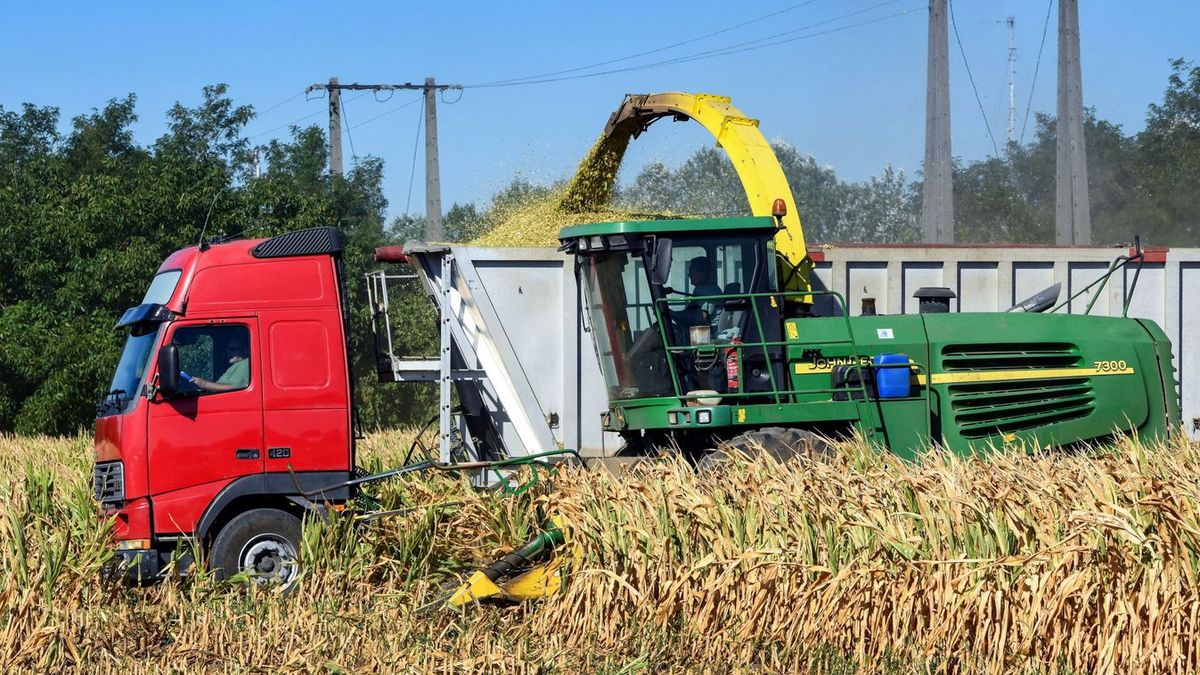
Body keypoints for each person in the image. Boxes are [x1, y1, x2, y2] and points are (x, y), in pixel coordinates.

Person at [183, 338, 250, 393]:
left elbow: (234, 387)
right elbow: (219, 387)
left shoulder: (244, 364)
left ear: (245, 349)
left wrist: (204, 384)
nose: (228, 352)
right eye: (227, 349)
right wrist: (199, 385)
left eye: (232, 349)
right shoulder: (236, 365)